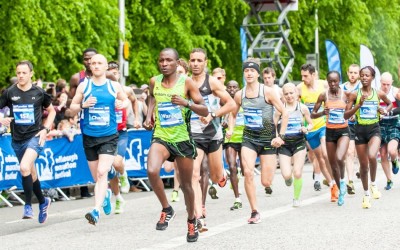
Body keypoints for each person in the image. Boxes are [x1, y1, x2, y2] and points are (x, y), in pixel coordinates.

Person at [143, 48, 209, 243]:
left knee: (187, 185)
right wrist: (149, 116)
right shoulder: (154, 81)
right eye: (161, 60)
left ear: (176, 63)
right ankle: (166, 208)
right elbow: (152, 97)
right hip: (162, 136)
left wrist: (186, 103)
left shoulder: (186, 83)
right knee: (152, 170)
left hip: (182, 140)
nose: (164, 64)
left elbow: (204, 109)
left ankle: (191, 220)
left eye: (168, 60)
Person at [70, 54, 130, 225]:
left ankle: (95, 211)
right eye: (93, 63)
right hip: (89, 136)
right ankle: (107, 194)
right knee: (97, 178)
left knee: (102, 172)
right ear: (90, 67)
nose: (95, 66)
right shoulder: (84, 86)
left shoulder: (113, 85)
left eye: (99, 63)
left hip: (109, 136)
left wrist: (122, 104)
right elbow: (72, 108)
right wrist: (83, 105)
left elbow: (125, 100)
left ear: (105, 67)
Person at [230, 58, 288, 224]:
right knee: (247, 172)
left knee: (265, 181)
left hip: (268, 140)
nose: (249, 73)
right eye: (246, 71)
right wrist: (231, 128)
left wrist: (280, 136)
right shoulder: (239, 94)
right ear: (244, 73)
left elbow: (285, 113)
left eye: (252, 71)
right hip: (249, 138)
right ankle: (254, 211)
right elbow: (232, 114)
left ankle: (269, 176)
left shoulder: (268, 92)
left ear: (257, 74)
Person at [0, 60, 56, 223]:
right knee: (30, 173)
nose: (21, 76)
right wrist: (1, 119)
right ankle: (43, 201)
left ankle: (27, 206)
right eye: (18, 73)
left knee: (24, 167)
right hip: (17, 139)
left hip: (35, 137)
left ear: (31, 74)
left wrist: (45, 129)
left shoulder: (38, 92)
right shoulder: (10, 92)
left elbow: (51, 111)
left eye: (24, 73)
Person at [189, 48, 236, 230]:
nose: (195, 64)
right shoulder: (184, 82)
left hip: (213, 134)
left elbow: (231, 104)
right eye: (192, 60)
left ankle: (221, 174)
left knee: (216, 177)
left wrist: (212, 114)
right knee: (195, 174)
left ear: (205, 62)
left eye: (199, 60)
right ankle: (199, 216)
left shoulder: (212, 83)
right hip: (193, 134)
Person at [344, 66, 392, 208]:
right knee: (363, 167)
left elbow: (389, 104)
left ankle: (373, 184)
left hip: (374, 129)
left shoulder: (378, 93)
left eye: (367, 75)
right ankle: (366, 195)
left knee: (372, 155)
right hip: (359, 131)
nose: (364, 77)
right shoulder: (354, 94)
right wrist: (358, 105)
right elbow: (346, 115)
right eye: (362, 75)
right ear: (360, 77)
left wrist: (384, 111)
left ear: (372, 78)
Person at [297, 64, 336, 202]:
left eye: (305, 75)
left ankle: (336, 181)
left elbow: (337, 94)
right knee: (319, 158)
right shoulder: (299, 89)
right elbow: (295, 107)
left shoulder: (323, 85)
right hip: (310, 129)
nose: (303, 78)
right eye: (302, 75)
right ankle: (332, 184)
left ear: (313, 75)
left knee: (326, 154)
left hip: (324, 125)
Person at [312, 71, 350, 206]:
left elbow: (351, 110)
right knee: (333, 165)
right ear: (327, 82)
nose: (333, 84)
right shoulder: (323, 95)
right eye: (330, 82)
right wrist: (323, 112)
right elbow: (312, 114)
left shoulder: (346, 95)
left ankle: (344, 181)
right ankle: (341, 192)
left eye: (335, 81)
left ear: (339, 81)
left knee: (340, 158)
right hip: (330, 132)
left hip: (344, 131)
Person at [274, 83, 312, 207]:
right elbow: (273, 125)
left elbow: (310, 124)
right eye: (286, 94)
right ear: (283, 96)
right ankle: (288, 179)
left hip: (299, 142)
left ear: (296, 93)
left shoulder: (302, 108)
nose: (289, 96)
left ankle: (296, 198)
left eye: (291, 93)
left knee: (297, 172)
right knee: (286, 174)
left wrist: (306, 128)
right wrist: (277, 137)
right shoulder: (280, 109)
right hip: (284, 144)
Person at [169, 58, 190, 202]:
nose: (178, 75)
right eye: (176, 72)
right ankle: (176, 190)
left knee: (198, 170)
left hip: (195, 133)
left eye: (181, 72)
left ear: (186, 74)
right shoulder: (169, 87)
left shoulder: (191, 87)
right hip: (175, 132)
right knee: (173, 167)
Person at [223, 80, 244, 210]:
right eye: (229, 87)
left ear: (238, 89)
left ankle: (240, 173)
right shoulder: (224, 101)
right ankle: (237, 198)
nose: (231, 89)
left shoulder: (244, 101)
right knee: (231, 166)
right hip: (230, 138)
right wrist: (224, 122)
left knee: (245, 168)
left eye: (234, 87)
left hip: (244, 138)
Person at [341, 64, 361, 194]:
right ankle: (350, 181)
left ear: (359, 74)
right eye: (351, 72)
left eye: (355, 73)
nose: (353, 75)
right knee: (349, 152)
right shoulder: (342, 88)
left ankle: (361, 168)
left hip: (363, 125)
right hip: (348, 125)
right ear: (348, 73)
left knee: (361, 152)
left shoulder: (363, 88)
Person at [378, 72, 400, 190]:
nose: (385, 87)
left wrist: (389, 112)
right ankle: (389, 180)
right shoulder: (376, 92)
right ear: (380, 82)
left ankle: (395, 160)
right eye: (383, 84)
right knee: (382, 154)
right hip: (380, 124)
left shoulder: (396, 92)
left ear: (392, 83)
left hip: (393, 123)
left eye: (388, 84)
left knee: (392, 151)